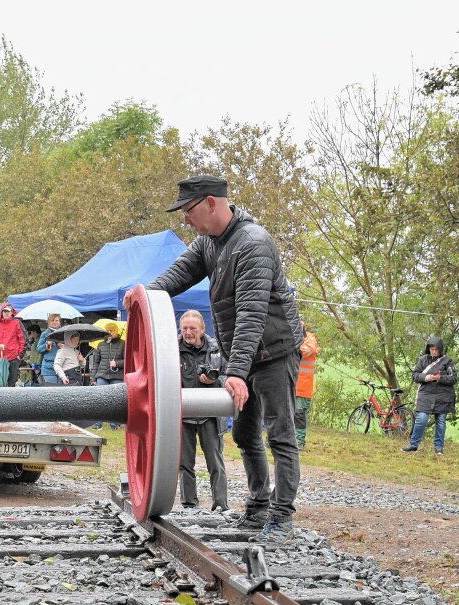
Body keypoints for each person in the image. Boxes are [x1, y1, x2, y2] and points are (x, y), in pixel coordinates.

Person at [126, 174, 302, 544]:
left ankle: (281, 519)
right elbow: (177, 275)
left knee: (281, 435)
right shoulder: (209, 242)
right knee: (244, 432)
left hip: (273, 352)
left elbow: (252, 313)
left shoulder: (254, 243)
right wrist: (142, 295)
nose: (185, 220)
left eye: (187, 212)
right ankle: (258, 507)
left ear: (210, 203)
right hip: (245, 354)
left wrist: (235, 372)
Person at [177, 311, 229, 511]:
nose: (188, 332)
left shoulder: (218, 348)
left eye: (192, 328)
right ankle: (189, 504)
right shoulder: (172, 349)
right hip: (183, 415)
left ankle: (221, 504)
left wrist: (216, 381)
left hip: (210, 414)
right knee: (185, 463)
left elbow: (230, 374)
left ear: (202, 329)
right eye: (185, 329)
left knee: (215, 462)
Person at [403, 336, 457, 455]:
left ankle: (439, 448)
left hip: (443, 395)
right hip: (426, 393)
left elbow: (453, 378)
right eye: (432, 349)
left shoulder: (448, 361)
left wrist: (440, 378)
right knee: (421, 419)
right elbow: (415, 375)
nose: (434, 351)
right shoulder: (422, 360)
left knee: (441, 421)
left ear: (440, 349)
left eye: (436, 349)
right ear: (428, 349)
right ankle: (413, 445)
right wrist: (426, 377)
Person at [90, 321, 125, 429]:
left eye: (112, 330)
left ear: (116, 331)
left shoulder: (123, 343)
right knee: (99, 398)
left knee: (116, 400)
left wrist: (117, 363)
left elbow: (128, 360)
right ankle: (98, 423)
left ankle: (114, 423)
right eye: (107, 331)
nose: (109, 332)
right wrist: (93, 377)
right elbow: (96, 362)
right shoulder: (100, 344)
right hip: (102, 374)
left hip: (117, 375)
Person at [294, 321, 319, 450]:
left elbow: (307, 350)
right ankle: (274, 439)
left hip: (303, 387)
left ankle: (299, 441)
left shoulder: (310, 339)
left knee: (299, 414)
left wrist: (292, 347)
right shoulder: (289, 337)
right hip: (288, 384)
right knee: (282, 413)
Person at [0, 303, 26, 387]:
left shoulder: (17, 323)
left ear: (12, 312)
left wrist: (20, 355)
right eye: (4, 311)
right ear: (2, 312)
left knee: (11, 384)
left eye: (8, 311)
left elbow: (23, 340)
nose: (6, 313)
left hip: (13, 358)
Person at [36, 314, 63, 384]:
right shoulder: (45, 334)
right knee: (50, 391)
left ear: (60, 322)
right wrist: (47, 345)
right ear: (48, 322)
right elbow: (38, 349)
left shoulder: (64, 333)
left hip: (62, 367)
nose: (55, 322)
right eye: (52, 320)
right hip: (48, 368)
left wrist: (64, 347)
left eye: (57, 320)